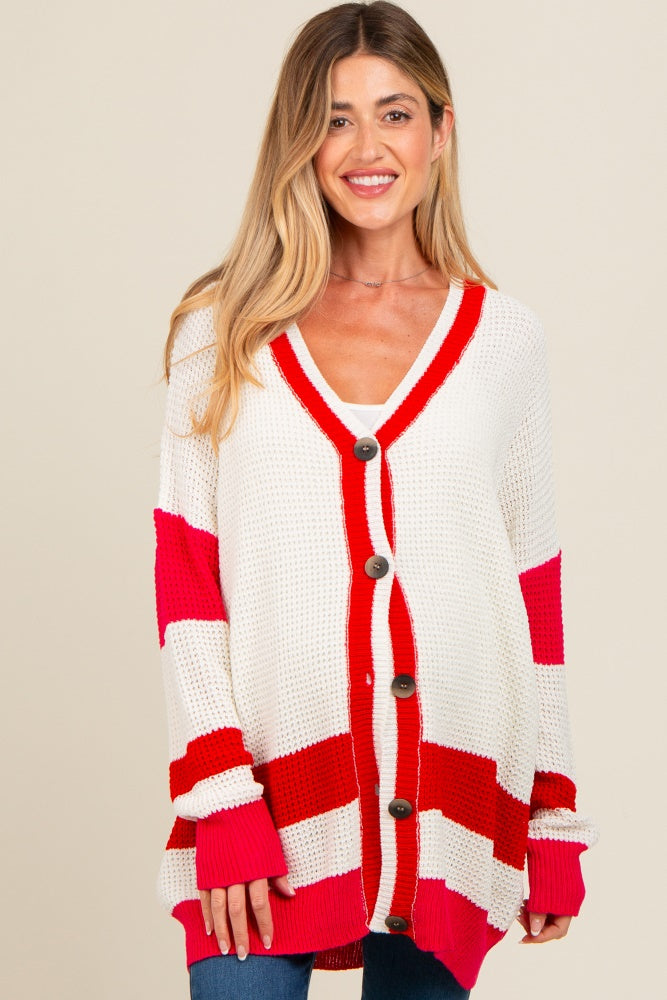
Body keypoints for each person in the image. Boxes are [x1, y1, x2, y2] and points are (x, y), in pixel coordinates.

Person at [152, 3, 598, 997]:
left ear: (440, 131)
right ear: (298, 141)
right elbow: (186, 583)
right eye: (334, 118)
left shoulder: (503, 341)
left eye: (394, 114)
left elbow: (531, 593)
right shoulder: (220, 333)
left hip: (454, 791)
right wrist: (219, 798)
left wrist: (553, 815)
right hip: (264, 790)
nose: (366, 148)